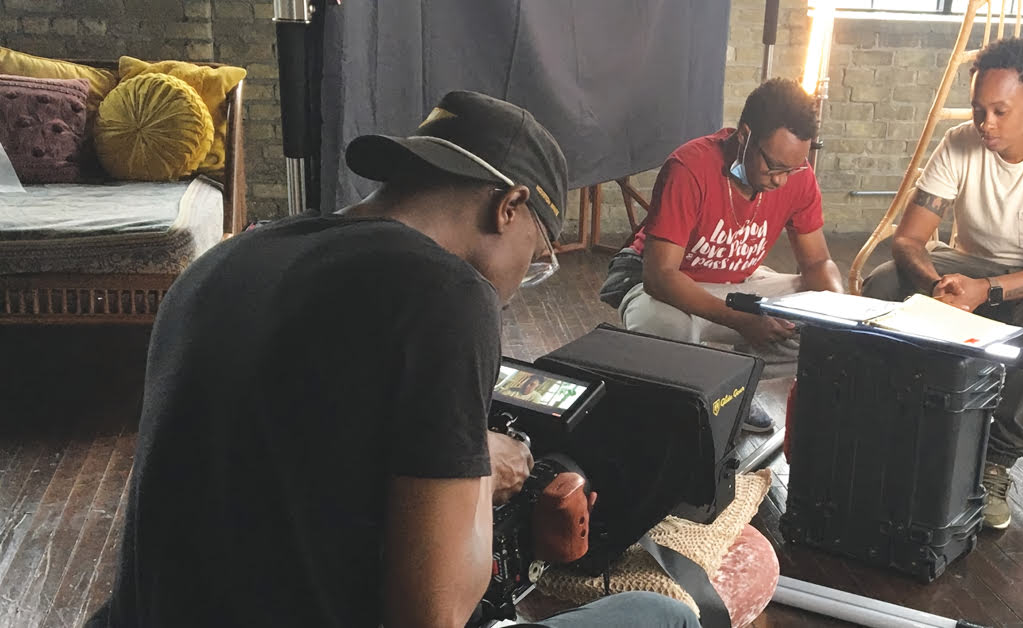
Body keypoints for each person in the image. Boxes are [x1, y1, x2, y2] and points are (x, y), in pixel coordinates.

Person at [87, 91, 699, 628]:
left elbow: (293, 450)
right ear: (508, 207)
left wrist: (461, 456)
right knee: (663, 613)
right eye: (537, 257)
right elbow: (432, 615)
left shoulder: (223, 262)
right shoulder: (447, 292)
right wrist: (478, 472)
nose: (520, 283)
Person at [861, 38, 1023, 530]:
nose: (985, 123)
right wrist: (938, 286)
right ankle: (894, 427)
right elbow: (908, 240)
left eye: (999, 111)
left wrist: (985, 290)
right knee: (884, 284)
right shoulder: (959, 143)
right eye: (978, 109)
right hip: (967, 265)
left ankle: (996, 461)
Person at [601, 78, 842, 432]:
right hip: (662, 286)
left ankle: (737, 389)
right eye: (775, 166)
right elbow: (660, 276)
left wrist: (844, 313)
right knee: (666, 325)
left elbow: (817, 263)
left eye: (792, 169)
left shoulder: (797, 178)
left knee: (817, 316)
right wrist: (742, 320)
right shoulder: (689, 167)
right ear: (745, 136)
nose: (781, 181)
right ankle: (698, 398)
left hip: (737, 281)